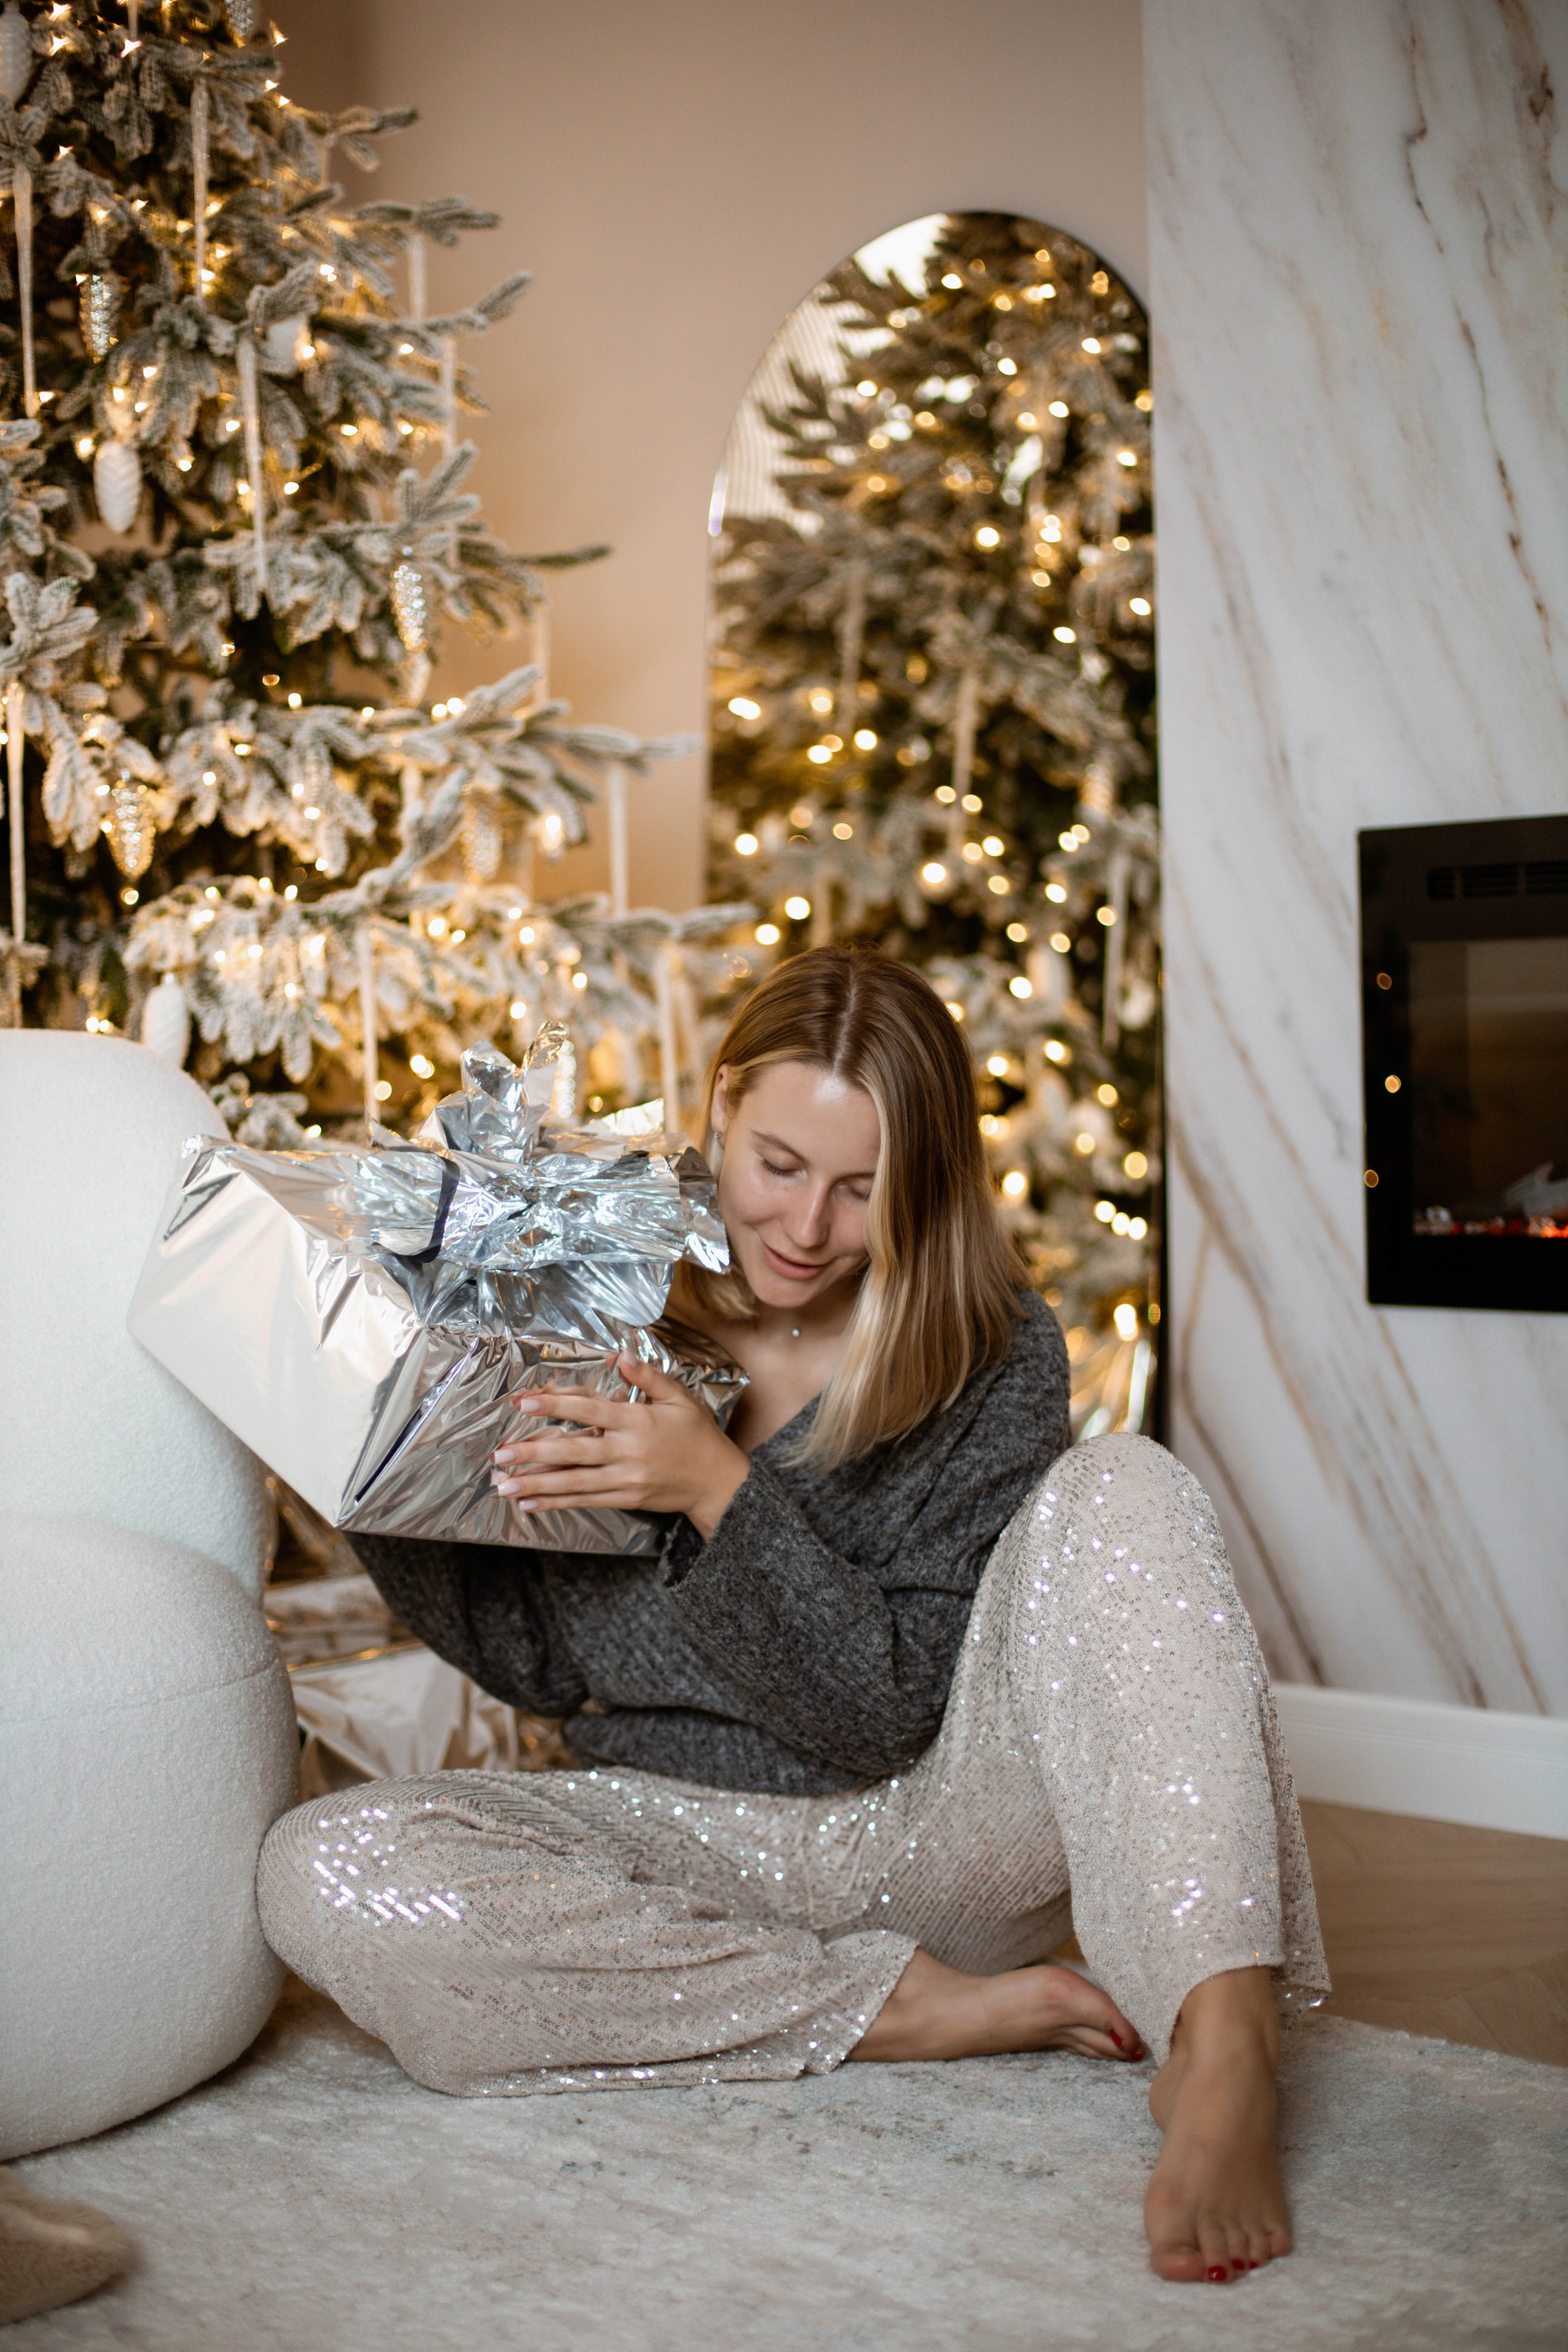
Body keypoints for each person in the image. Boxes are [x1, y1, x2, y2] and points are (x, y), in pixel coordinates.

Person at [258, 946, 1327, 2286]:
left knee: (1124, 1484)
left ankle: (1224, 2038)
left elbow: (879, 1715)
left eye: (859, 1189)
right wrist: (377, 1457)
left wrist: (718, 1494)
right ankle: (890, 2010)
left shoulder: (990, 1352)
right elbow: (534, 1665)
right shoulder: (595, 1289)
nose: (806, 1228)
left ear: (919, 1185)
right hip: (666, 1846)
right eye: (777, 1164)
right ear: (718, 1107)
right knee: (322, 1870)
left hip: (936, 1834)